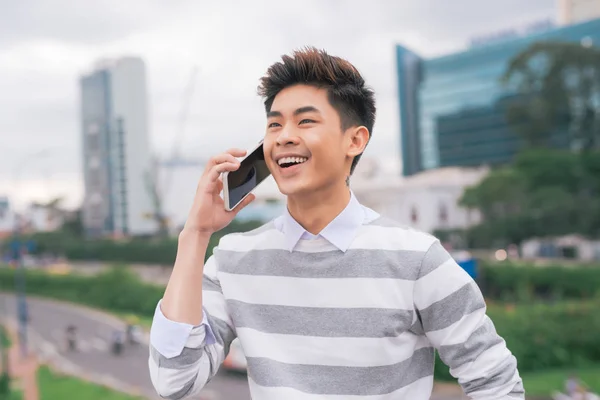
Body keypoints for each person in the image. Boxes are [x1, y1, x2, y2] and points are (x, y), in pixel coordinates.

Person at [148, 47, 524, 400]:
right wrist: (195, 234)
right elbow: (174, 381)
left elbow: (496, 383)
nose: (284, 137)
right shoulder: (233, 259)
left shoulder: (417, 259)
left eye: (306, 121)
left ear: (355, 140)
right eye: (274, 125)